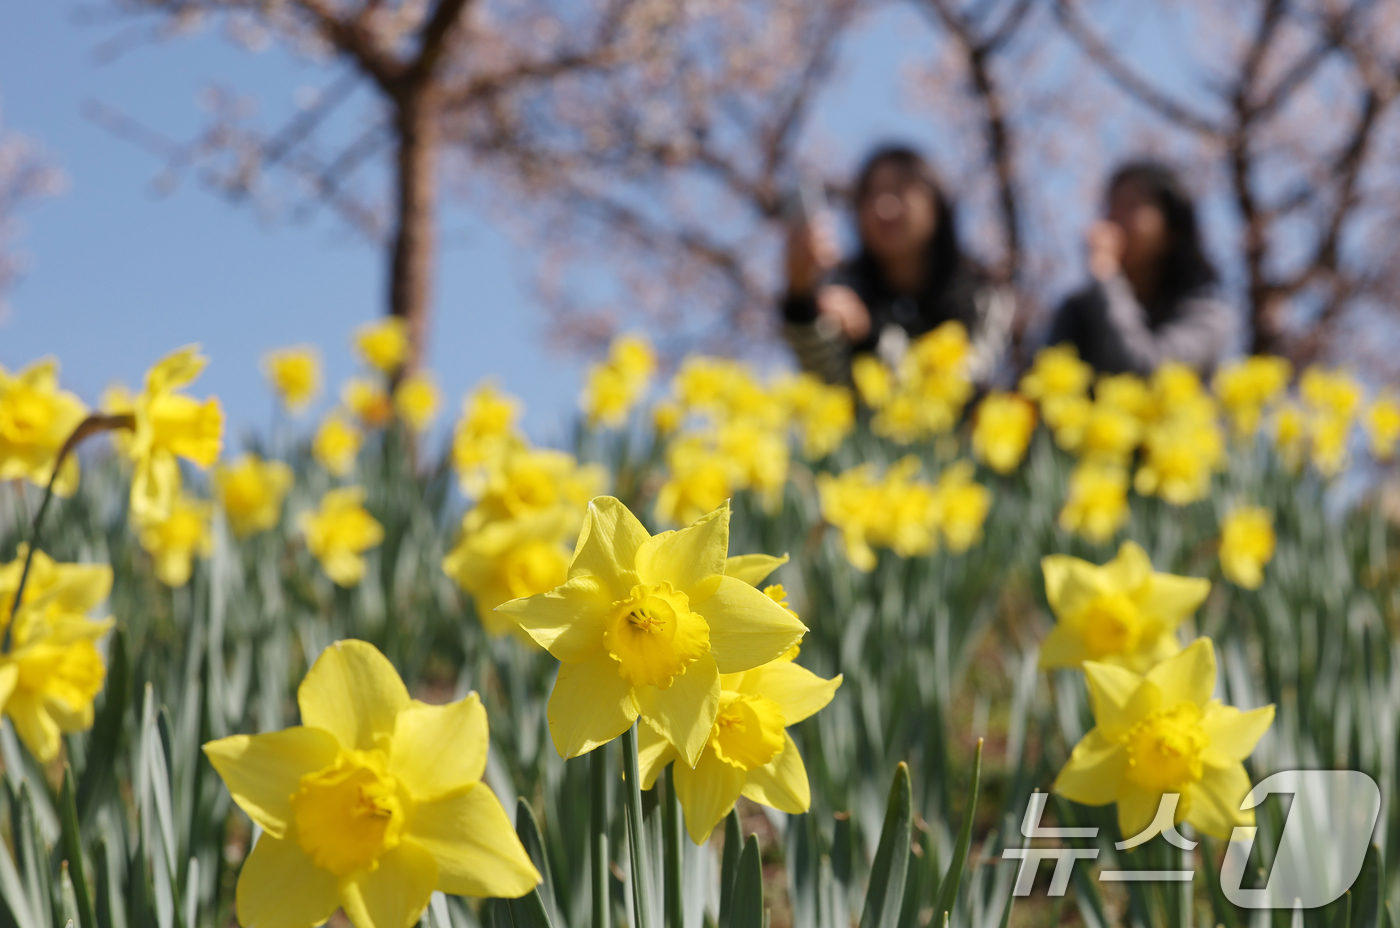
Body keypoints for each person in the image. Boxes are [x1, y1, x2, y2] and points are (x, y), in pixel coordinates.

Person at [779, 145, 1013, 387]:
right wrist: (801, 291)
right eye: (871, 195)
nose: (883, 207)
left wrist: (870, 336)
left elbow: (959, 384)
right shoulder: (845, 290)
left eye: (899, 190)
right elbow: (823, 379)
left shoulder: (982, 295)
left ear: (936, 204)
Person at [1046, 161, 1235, 376]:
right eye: (1110, 206)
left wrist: (1107, 277)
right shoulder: (1078, 310)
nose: (1114, 219)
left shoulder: (1206, 313)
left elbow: (1150, 374)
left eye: (1130, 205)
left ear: (1172, 230)